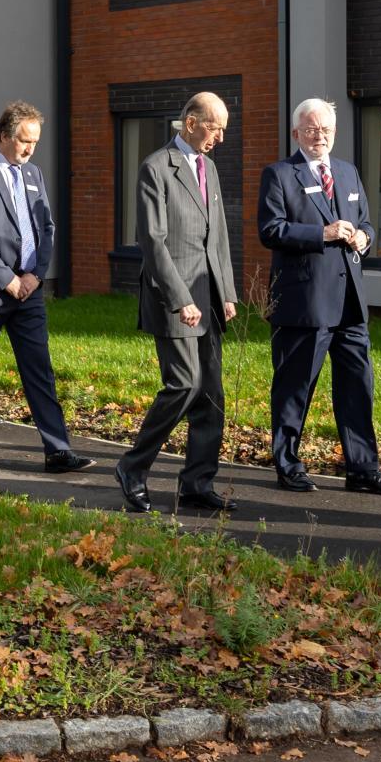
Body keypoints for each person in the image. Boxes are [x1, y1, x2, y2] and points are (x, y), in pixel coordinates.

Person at [256, 97, 381, 495]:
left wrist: (364, 237)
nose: (320, 136)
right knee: (295, 387)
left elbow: (368, 224)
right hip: (304, 303)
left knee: (358, 386)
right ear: (296, 133)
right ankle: (287, 465)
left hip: (350, 303)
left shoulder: (348, 172)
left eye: (326, 130)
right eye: (312, 129)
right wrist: (321, 234)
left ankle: (362, 470)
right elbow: (271, 230)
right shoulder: (279, 175)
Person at [0, 100, 91, 474]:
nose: (30, 149)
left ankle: (58, 450)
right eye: (25, 141)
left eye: (35, 143)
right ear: (4, 136)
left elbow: (47, 228)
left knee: (39, 371)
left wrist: (35, 276)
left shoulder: (33, 174)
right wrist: (7, 278)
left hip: (27, 291)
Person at [114, 92, 240, 515]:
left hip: (208, 298)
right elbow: (153, 242)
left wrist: (226, 293)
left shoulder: (211, 169)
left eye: (224, 128)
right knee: (184, 384)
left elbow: (217, 238)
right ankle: (133, 467)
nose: (220, 137)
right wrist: (181, 299)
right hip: (174, 300)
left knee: (211, 395)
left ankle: (196, 484)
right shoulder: (155, 168)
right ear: (190, 123)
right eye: (214, 127)